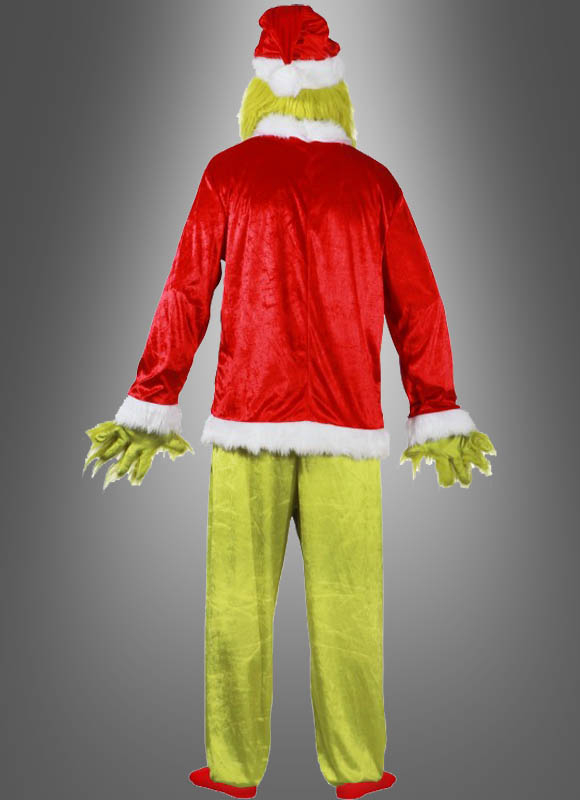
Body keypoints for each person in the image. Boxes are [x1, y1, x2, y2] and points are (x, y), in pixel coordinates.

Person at [84, 5, 496, 798]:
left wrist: (152, 398)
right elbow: (418, 305)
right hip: (348, 425)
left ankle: (234, 769)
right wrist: (436, 406)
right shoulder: (374, 182)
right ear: (335, 93)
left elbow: (185, 291)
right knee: (350, 607)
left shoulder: (228, 173)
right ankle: (357, 769)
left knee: (236, 604)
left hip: (248, 419)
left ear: (260, 91)